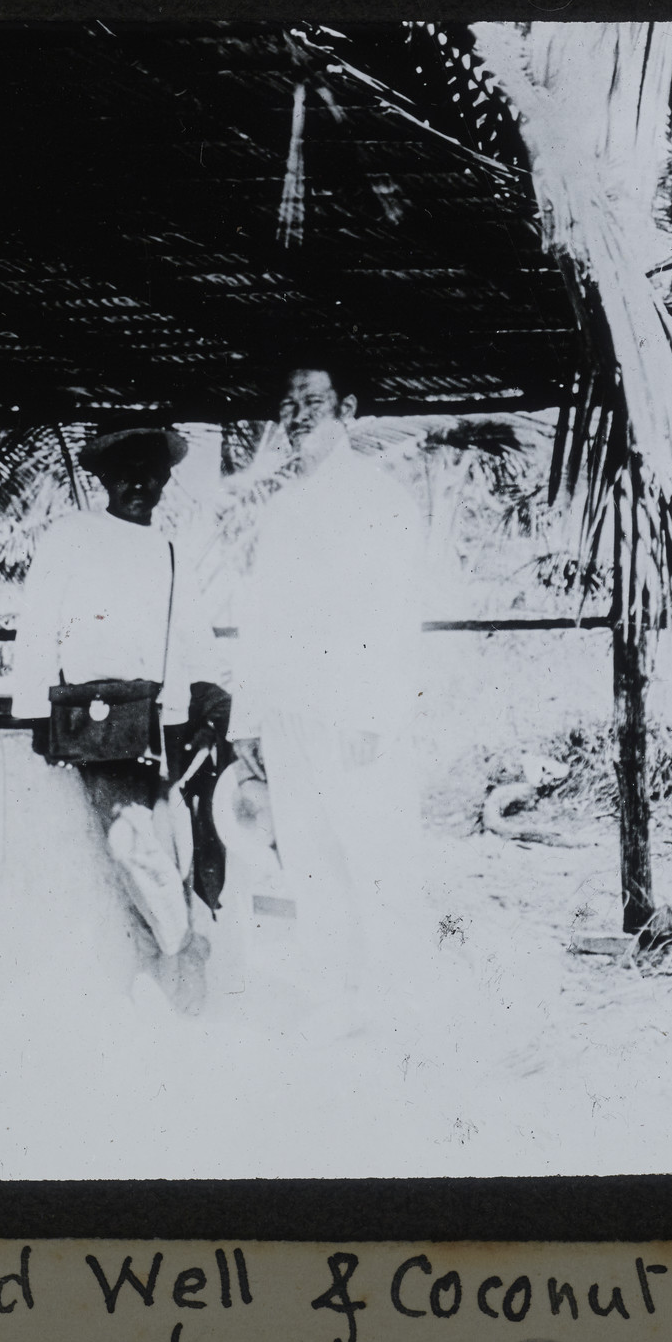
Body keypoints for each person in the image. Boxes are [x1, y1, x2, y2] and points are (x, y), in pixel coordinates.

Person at [230, 360, 426, 1032]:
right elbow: (258, 618)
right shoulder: (282, 508)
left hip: (351, 707)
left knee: (371, 848)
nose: (298, 413)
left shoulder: (381, 499)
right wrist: (247, 717)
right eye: (288, 402)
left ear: (348, 406)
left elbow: (395, 615)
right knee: (309, 855)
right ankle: (333, 994)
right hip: (287, 708)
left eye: (312, 399)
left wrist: (376, 712)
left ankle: (400, 999)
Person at [11, 426, 229, 1015]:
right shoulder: (72, 536)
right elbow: (37, 624)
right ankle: (184, 948)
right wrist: (37, 713)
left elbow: (192, 635)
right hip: (94, 718)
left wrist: (210, 707)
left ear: (164, 480)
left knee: (167, 844)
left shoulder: (170, 549)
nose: (139, 483)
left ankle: (162, 969)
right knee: (128, 842)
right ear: (103, 479)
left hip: (164, 719)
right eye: (126, 471)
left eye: (151, 472)